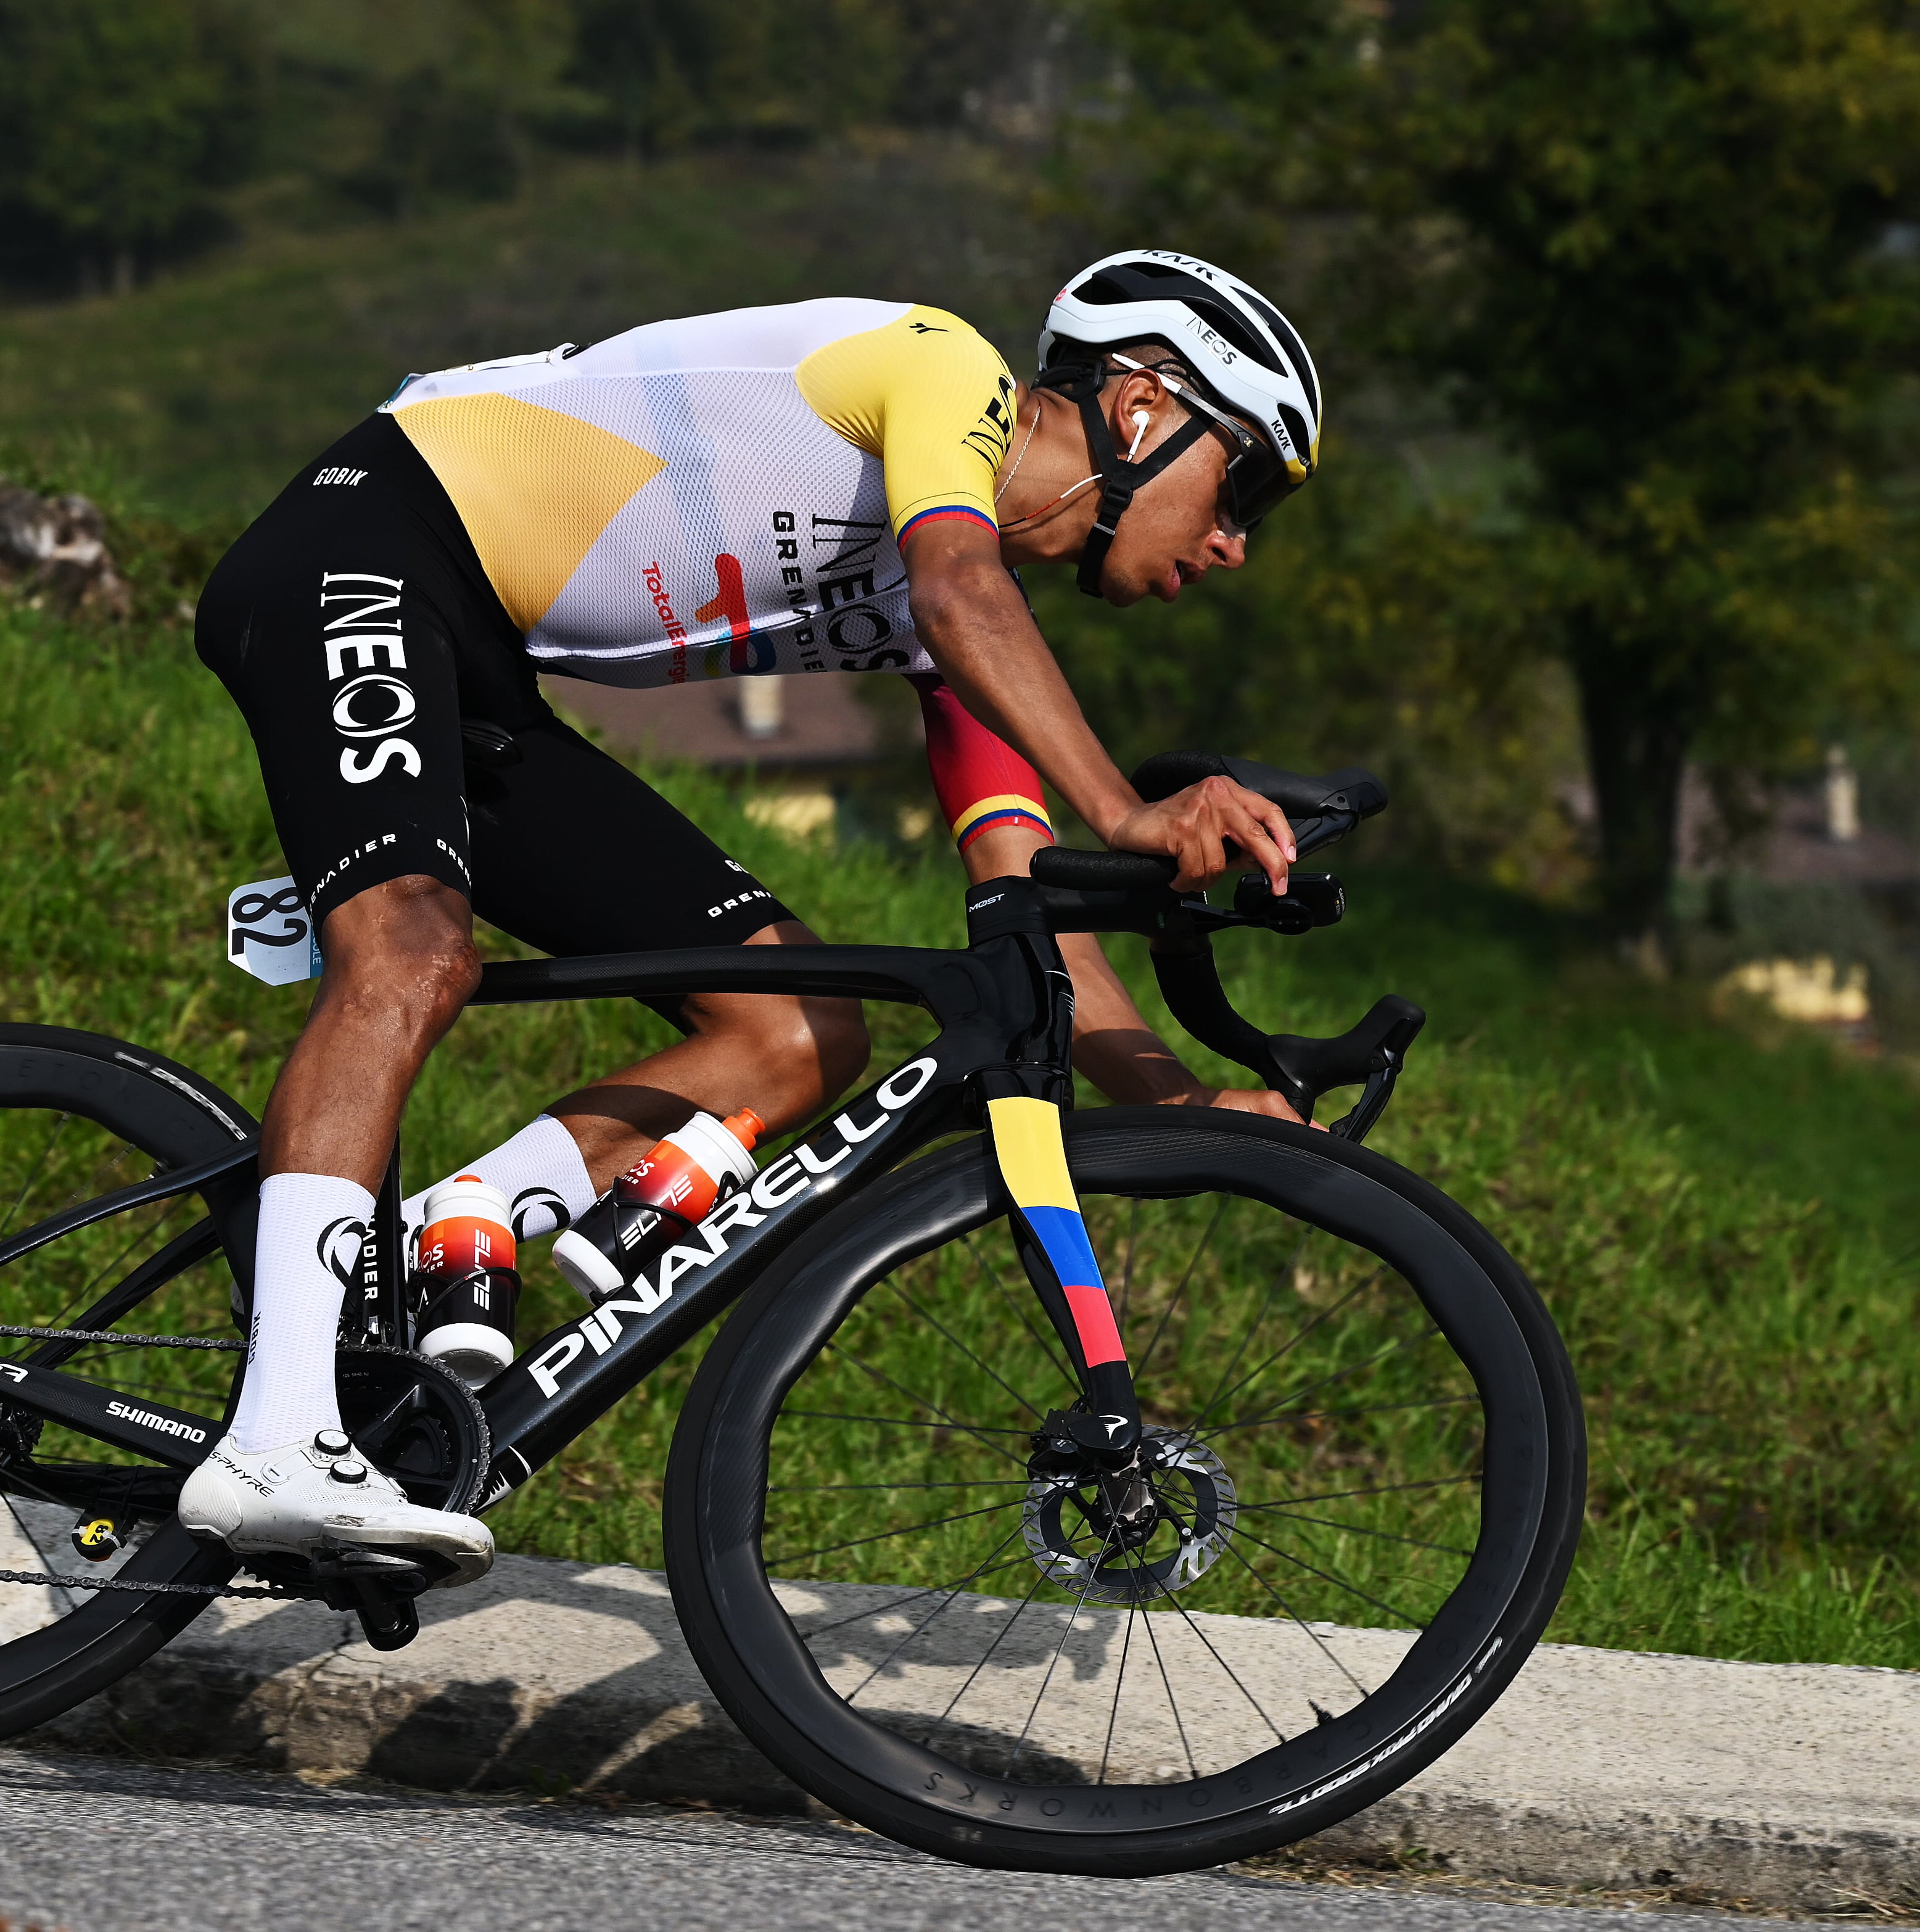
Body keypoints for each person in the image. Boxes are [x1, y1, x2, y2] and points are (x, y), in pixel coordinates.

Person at [177, 250, 1327, 1582]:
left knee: (798, 1025)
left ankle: (461, 1222)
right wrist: (1133, 810)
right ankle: (275, 1437)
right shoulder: (941, 375)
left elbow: (1034, 902)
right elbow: (966, 591)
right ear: (1141, 406)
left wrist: (1176, 1103)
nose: (1236, 540)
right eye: (1241, 484)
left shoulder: (943, 615)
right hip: (363, 547)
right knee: (415, 956)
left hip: (475, 666)